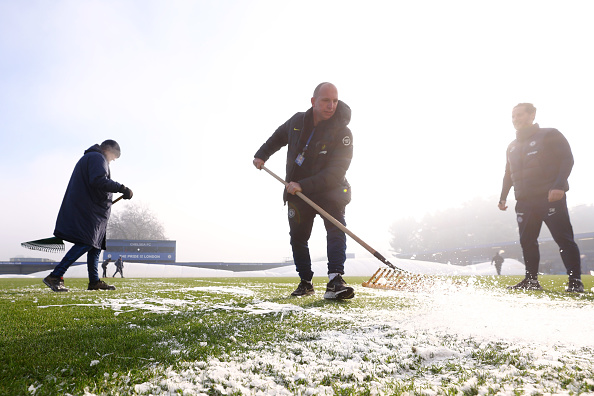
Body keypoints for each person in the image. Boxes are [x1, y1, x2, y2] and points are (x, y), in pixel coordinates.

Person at [253, 82, 354, 300]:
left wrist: (304, 184)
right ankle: (306, 282)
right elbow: (278, 137)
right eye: (326, 100)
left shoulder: (343, 133)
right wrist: (262, 155)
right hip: (297, 193)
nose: (331, 106)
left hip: (330, 190)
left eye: (335, 101)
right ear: (313, 101)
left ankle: (335, 280)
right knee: (298, 238)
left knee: (336, 229)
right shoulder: (297, 121)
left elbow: (337, 171)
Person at [498, 103, 583, 292]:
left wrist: (559, 186)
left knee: (563, 239)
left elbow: (567, 159)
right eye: (513, 116)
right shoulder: (511, 146)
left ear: (532, 115)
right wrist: (503, 197)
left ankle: (575, 282)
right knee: (527, 241)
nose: (515, 119)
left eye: (519, 115)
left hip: (549, 197)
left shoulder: (550, 134)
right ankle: (531, 281)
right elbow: (508, 173)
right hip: (524, 201)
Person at [43, 140, 133, 292]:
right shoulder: (98, 158)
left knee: (95, 246)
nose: (112, 160)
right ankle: (55, 275)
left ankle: (94, 281)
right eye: (113, 157)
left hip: (95, 211)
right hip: (90, 211)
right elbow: (98, 180)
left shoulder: (92, 158)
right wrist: (121, 188)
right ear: (108, 150)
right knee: (86, 242)